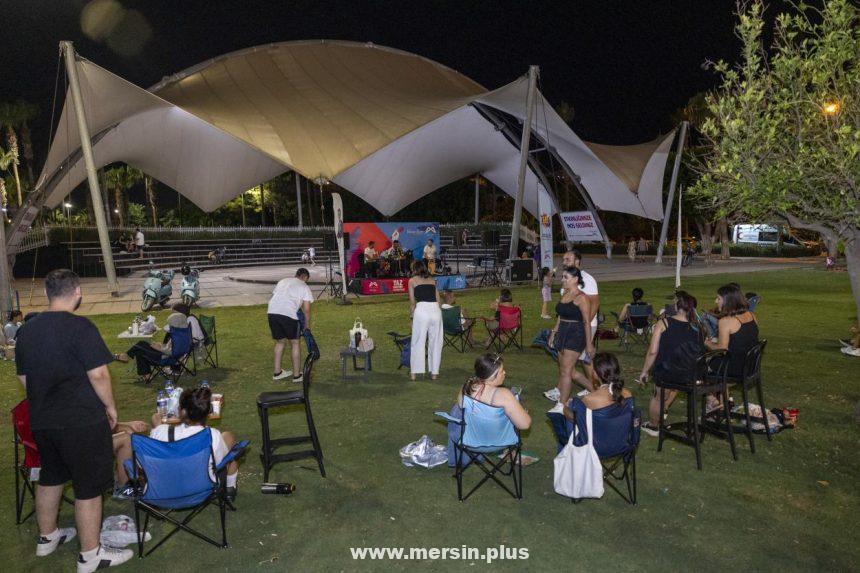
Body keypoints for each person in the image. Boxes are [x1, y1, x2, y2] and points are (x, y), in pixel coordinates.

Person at [15, 269, 133, 571]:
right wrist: (111, 408)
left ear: (46, 294)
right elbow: (99, 373)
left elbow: (25, 378)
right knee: (88, 487)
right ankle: (91, 555)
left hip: (43, 420)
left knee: (51, 476)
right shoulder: (81, 327)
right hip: (80, 420)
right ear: (78, 292)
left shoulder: (26, 331)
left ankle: (48, 538)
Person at [148, 386, 240, 501]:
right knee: (230, 445)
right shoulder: (212, 435)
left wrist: (158, 422)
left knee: (227, 437)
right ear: (209, 412)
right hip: (201, 489)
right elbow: (220, 461)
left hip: (165, 489)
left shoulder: (160, 432)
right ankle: (230, 489)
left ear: (182, 411)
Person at [636, 290, 704, 436]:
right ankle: (664, 409)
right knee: (672, 384)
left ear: (677, 306)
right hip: (689, 374)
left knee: (657, 396)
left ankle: (654, 426)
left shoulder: (664, 323)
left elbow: (653, 351)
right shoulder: (697, 327)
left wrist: (644, 371)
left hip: (667, 373)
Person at [547, 267, 596, 412]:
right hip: (563, 332)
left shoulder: (582, 298)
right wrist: (553, 332)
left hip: (576, 335)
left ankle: (562, 405)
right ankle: (595, 390)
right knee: (570, 371)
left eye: (565, 277)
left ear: (575, 279)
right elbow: (560, 316)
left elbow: (587, 322)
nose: (562, 280)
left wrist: (589, 344)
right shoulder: (566, 294)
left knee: (566, 372)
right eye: (562, 277)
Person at [458, 354, 531, 430]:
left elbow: (461, 406)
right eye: (501, 371)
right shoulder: (504, 394)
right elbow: (525, 425)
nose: (504, 373)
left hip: (470, 435)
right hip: (494, 437)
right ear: (492, 376)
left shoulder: (466, 386)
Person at [267, 268, 313, 383]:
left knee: (280, 342)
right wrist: (307, 325)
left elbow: (276, 296)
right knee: (295, 343)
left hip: (272, 312)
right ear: (304, 277)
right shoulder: (304, 286)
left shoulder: (283, 281)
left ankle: (277, 373)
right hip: (288, 314)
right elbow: (306, 310)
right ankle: (297, 376)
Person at [705, 284, 759, 379]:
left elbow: (722, 350)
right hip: (750, 365)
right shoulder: (751, 315)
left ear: (728, 301)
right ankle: (720, 393)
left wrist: (706, 342)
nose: (716, 301)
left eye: (718, 298)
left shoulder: (726, 321)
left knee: (697, 365)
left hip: (734, 368)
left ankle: (713, 393)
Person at [115, 312, 189, 377]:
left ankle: (125, 356)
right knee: (141, 348)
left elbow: (173, 352)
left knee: (140, 346)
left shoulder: (178, 337)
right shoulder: (182, 333)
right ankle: (147, 375)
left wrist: (159, 348)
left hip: (164, 358)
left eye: (171, 325)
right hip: (166, 354)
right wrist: (161, 345)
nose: (170, 326)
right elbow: (172, 348)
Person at [567, 352, 633, 419]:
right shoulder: (628, 394)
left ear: (595, 374)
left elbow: (578, 419)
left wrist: (565, 408)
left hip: (599, 428)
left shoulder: (589, 399)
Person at [408, 261, 442, 381]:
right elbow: (438, 300)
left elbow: (412, 302)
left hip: (421, 310)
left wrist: (411, 318)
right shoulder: (432, 280)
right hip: (435, 311)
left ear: (414, 269)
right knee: (436, 342)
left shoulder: (412, 281)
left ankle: (414, 373)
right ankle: (434, 373)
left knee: (418, 342)